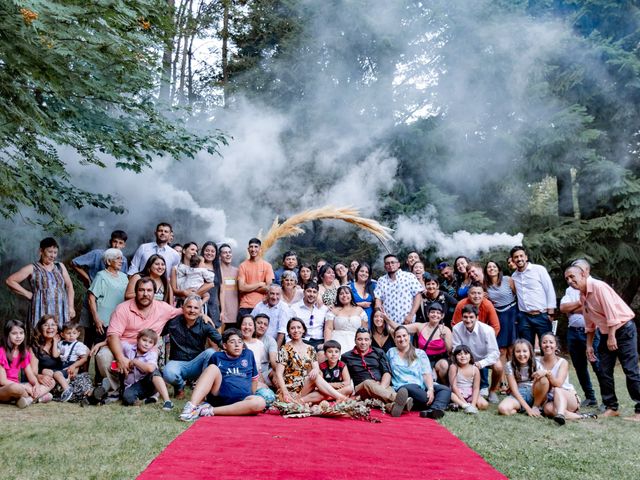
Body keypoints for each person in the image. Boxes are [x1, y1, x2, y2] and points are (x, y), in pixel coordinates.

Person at [564, 265, 640, 420]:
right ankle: (611, 407)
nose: (570, 281)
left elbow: (612, 314)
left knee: (630, 370)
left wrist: (612, 336)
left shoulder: (599, 287)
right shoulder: (583, 295)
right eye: (567, 279)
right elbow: (589, 323)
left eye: (572, 277)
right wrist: (589, 345)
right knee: (604, 370)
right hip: (606, 332)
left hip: (623, 329)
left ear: (584, 274)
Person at [96, 277, 182, 400]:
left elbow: (184, 311)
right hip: (123, 348)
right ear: (136, 292)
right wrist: (120, 357)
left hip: (146, 349)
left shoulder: (163, 308)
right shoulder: (123, 308)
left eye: (149, 290)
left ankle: (144, 389)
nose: (145, 294)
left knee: (150, 366)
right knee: (103, 356)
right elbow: (113, 335)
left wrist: (202, 315)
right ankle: (116, 388)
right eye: (141, 290)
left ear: (154, 293)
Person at [179, 328, 266, 420]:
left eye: (240, 342)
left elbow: (254, 379)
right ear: (224, 346)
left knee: (260, 402)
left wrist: (250, 395)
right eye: (232, 342)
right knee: (212, 368)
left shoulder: (248, 354)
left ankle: (208, 411)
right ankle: (191, 407)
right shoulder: (217, 356)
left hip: (242, 400)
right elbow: (208, 379)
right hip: (220, 396)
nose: (237, 345)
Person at [71, 230, 128, 347]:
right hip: (93, 301)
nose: (116, 245)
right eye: (114, 242)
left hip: (110, 306)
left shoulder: (123, 260)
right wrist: (88, 279)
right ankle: (84, 364)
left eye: (120, 243)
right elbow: (74, 263)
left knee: (106, 338)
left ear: (124, 245)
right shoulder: (98, 254)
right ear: (110, 242)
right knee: (89, 337)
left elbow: (122, 281)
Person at [6, 237, 75, 331]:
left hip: (60, 310)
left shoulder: (60, 266)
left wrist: (71, 307)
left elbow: (69, 286)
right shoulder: (32, 268)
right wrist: (28, 294)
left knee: (60, 336)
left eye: (55, 252)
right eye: (50, 252)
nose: (53, 255)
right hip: (40, 311)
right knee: (39, 338)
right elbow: (10, 281)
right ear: (41, 251)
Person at [274, 318, 348, 404]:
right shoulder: (284, 349)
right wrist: (285, 392)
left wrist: (315, 370)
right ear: (289, 331)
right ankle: (340, 397)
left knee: (322, 393)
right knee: (315, 379)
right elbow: (278, 374)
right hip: (290, 388)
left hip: (306, 387)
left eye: (299, 327)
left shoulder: (310, 348)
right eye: (292, 328)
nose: (296, 330)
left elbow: (316, 368)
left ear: (303, 330)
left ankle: (298, 402)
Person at [162, 294, 222, 398]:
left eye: (196, 308)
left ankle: (202, 388)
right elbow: (158, 333)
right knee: (168, 373)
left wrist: (236, 348)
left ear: (200, 311)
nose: (192, 310)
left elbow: (220, 340)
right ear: (183, 308)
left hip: (197, 364)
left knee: (211, 352)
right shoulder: (173, 323)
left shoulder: (204, 324)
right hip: (178, 362)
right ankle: (179, 387)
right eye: (189, 307)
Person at [341, 327, 412, 416]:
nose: (363, 342)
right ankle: (398, 399)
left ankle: (391, 406)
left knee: (385, 391)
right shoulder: (346, 357)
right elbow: (345, 378)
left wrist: (380, 388)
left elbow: (387, 372)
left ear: (370, 341)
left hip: (382, 385)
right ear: (355, 340)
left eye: (366, 339)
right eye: (360, 339)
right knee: (368, 383)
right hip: (361, 388)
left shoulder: (379, 352)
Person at [559, 259, 600, 407]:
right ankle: (590, 397)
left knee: (597, 364)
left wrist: (576, 307)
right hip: (573, 332)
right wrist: (581, 304)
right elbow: (563, 308)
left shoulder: (595, 286)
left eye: (577, 272)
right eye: (568, 277)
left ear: (585, 271)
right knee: (579, 366)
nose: (571, 279)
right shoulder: (570, 290)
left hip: (592, 331)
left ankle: (607, 399)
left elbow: (593, 309)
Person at [387, 326, 452, 419]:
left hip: (421, 386)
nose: (402, 339)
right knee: (421, 396)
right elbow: (386, 370)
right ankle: (429, 404)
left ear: (409, 337)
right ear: (394, 339)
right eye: (398, 336)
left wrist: (430, 389)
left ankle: (431, 410)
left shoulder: (420, 353)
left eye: (404, 335)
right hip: (403, 387)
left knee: (445, 390)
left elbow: (426, 373)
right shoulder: (391, 352)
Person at [32, 315, 99, 404]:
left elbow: (85, 353)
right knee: (46, 371)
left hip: (67, 374)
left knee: (80, 382)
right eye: (46, 325)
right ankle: (89, 396)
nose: (50, 328)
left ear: (57, 329)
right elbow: (33, 372)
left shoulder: (63, 343)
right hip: (50, 380)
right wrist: (39, 376)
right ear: (40, 328)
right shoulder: (35, 347)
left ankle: (94, 395)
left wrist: (75, 367)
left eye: (53, 325)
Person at [538, 332, 595, 424]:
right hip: (550, 399)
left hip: (568, 397)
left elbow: (559, 384)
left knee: (557, 389)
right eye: (544, 342)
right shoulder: (537, 361)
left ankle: (560, 414)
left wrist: (547, 373)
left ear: (556, 346)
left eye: (551, 342)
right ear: (541, 345)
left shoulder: (562, 362)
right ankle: (581, 416)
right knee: (547, 409)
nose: (548, 345)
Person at [384, 302, 452, 379]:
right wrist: (387, 319)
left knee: (443, 365)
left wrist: (444, 339)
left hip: (439, 359)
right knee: (429, 377)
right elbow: (400, 328)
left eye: (438, 313)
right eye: (432, 312)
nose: (435, 315)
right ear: (428, 314)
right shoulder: (420, 326)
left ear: (442, 316)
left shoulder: (445, 330)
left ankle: (444, 385)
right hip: (422, 358)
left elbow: (450, 350)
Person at [452, 305, 503, 404]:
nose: (468, 320)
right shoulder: (457, 329)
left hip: (485, 358)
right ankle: (462, 391)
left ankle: (492, 391)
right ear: (462, 317)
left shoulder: (487, 330)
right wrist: (467, 361)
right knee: (453, 365)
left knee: (498, 366)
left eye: (471, 317)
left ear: (477, 318)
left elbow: (495, 353)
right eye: (465, 317)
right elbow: (456, 349)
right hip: (466, 358)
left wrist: (481, 363)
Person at [510, 246, 556, 347]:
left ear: (526, 257)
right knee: (526, 348)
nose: (519, 259)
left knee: (547, 346)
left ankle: (547, 363)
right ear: (513, 260)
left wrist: (551, 313)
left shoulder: (539, 270)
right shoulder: (514, 276)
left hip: (542, 315)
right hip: (524, 317)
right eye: (516, 257)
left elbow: (549, 290)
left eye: (521, 256)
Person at [0, 320, 52, 408]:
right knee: (16, 388)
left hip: (19, 387)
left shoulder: (24, 352)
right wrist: (25, 387)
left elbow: (30, 375)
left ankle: (29, 399)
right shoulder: (1, 351)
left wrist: (36, 385)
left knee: (51, 381)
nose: (18, 336)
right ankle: (38, 398)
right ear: (7, 334)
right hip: (5, 389)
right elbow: (3, 381)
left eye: (21, 333)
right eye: (14, 333)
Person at [87, 248, 129, 350]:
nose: (121, 261)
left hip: (120, 320)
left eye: (121, 258)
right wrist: (96, 319)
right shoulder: (101, 275)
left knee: (118, 350)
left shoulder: (124, 276)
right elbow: (91, 298)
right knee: (101, 351)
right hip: (104, 321)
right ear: (109, 261)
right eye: (118, 259)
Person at [121, 329, 173, 410]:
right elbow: (115, 342)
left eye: (150, 342)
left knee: (154, 371)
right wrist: (100, 344)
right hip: (132, 386)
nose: (146, 344)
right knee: (127, 397)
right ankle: (147, 400)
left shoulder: (152, 354)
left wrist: (135, 361)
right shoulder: (129, 348)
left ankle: (167, 401)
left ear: (153, 345)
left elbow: (150, 368)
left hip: (148, 384)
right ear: (138, 339)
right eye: (144, 340)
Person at [497, 339, 549, 417]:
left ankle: (536, 406)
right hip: (519, 393)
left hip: (534, 393)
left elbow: (544, 383)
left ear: (530, 352)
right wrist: (528, 409)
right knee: (502, 409)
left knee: (544, 380)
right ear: (513, 353)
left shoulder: (536, 363)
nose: (521, 354)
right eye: (518, 351)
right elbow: (515, 390)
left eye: (525, 351)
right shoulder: (509, 365)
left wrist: (545, 372)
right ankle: (524, 408)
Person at [484, 261, 517, 379]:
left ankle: (515, 379)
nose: (491, 268)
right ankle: (502, 381)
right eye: (489, 267)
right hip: (498, 316)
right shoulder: (485, 285)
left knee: (512, 349)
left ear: (498, 269)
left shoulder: (508, 280)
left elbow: (517, 295)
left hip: (512, 313)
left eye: (494, 266)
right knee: (501, 350)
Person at [374, 253, 424, 326]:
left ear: (398, 264)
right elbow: (378, 299)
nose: (390, 265)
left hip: (406, 322)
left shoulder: (409, 276)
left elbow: (417, 296)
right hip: (388, 323)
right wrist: (379, 314)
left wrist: (411, 315)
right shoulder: (381, 280)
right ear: (385, 266)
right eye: (387, 263)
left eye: (392, 262)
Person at [237, 238, 274, 319]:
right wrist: (259, 284)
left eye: (256, 247)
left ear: (260, 249)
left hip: (262, 305)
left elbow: (268, 288)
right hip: (245, 305)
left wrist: (247, 287)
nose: (253, 249)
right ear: (248, 249)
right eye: (251, 247)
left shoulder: (267, 266)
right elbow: (241, 288)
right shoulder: (242, 266)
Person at [324, 286, 368, 354]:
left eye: (347, 293)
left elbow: (365, 329)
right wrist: (327, 345)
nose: (344, 295)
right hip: (337, 341)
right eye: (341, 294)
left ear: (351, 295)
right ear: (338, 296)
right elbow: (328, 329)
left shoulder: (359, 310)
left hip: (356, 342)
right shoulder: (333, 310)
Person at [448, 344, 488, 414]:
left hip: (470, 394)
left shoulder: (475, 369)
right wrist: (464, 402)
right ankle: (464, 405)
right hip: (457, 393)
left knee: (484, 404)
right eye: (459, 354)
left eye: (466, 354)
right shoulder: (453, 367)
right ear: (455, 357)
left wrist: (473, 404)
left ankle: (466, 405)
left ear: (470, 356)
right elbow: (454, 386)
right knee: (450, 395)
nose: (463, 356)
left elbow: (476, 388)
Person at [289, 282, 328, 350]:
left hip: (319, 342)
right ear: (304, 292)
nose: (311, 294)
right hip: (302, 340)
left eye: (314, 292)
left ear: (317, 294)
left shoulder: (324, 309)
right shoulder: (294, 308)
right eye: (309, 291)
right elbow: (289, 327)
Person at [239, 315, 270, 388]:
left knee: (268, 394)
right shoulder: (236, 343)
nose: (247, 327)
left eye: (250, 325)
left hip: (254, 380)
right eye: (244, 324)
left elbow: (258, 368)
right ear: (240, 327)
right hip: (240, 379)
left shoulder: (259, 344)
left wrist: (264, 385)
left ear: (254, 328)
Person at [56, 322, 89, 388]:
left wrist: (74, 366)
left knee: (59, 375)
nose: (71, 335)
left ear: (78, 334)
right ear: (62, 334)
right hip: (61, 364)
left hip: (71, 365)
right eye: (68, 333)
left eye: (74, 333)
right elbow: (57, 354)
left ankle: (66, 387)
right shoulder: (60, 343)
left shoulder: (79, 345)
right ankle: (63, 385)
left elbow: (84, 358)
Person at [200, 241, 224, 327]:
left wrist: (222, 310)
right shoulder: (199, 265)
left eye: (212, 251)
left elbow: (221, 291)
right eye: (207, 250)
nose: (209, 253)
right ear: (203, 251)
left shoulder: (217, 268)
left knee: (213, 335)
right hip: (201, 303)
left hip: (214, 306)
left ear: (216, 254)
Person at [254, 313, 279, 387]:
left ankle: (280, 395)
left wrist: (278, 374)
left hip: (265, 371)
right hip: (250, 371)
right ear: (253, 323)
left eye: (265, 324)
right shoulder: (247, 338)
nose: (262, 326)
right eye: (259, 323)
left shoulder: (270, 340)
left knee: (276, 373)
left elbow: (273, 360)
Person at [349, 262, 376, 327]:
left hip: (371, 321)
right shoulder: (349, 287)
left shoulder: (373, 286)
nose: (364, 274)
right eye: (362, 271)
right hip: (354, 320)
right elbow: (343, 304)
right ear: (357, 272)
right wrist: (358, 304)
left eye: (367, 272)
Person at [219, 243, 239, 328]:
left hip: (236, 313)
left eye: (229, 252)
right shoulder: (217, 271)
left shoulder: (237, 271)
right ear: (220, 256)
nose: (228, 254)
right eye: (225, 253)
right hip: (221, 313)